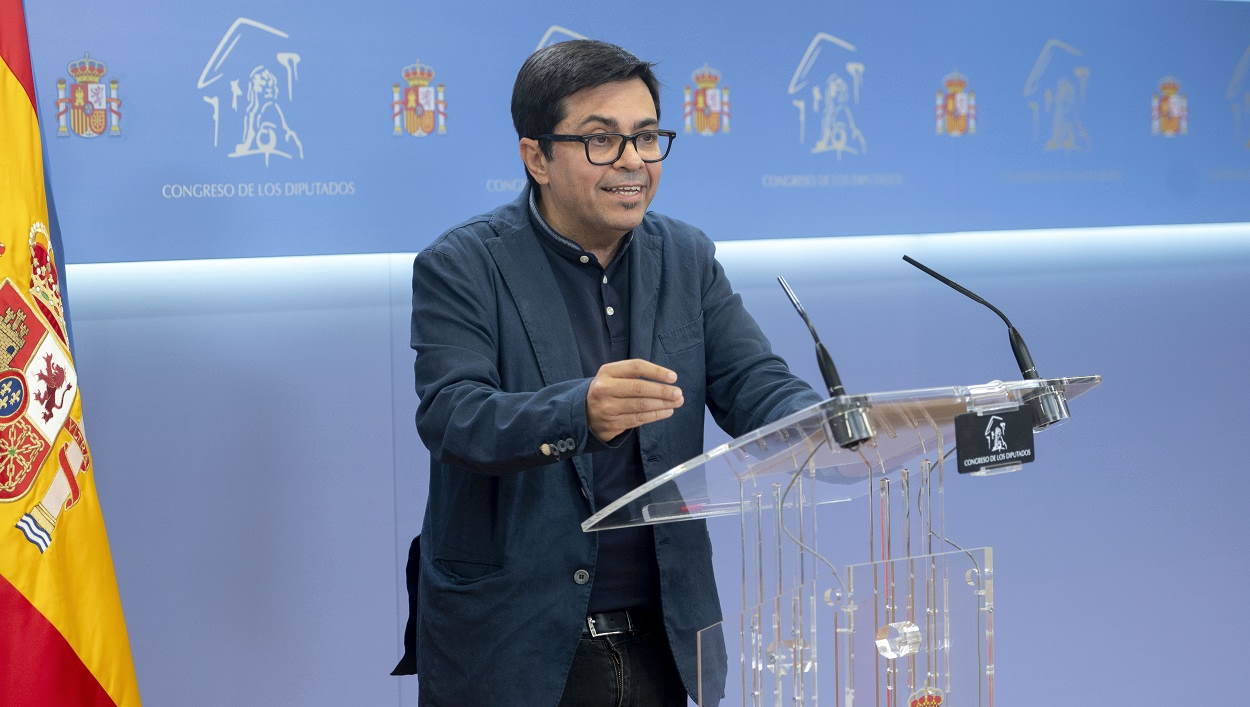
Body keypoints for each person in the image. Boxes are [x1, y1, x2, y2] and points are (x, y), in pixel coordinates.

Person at [396, 39, 822, 706]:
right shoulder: (463, 265)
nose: (632, 162)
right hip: (515, 648)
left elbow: (753, 380)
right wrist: (579, 412)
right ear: (536, 155)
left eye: (647, 137)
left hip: (665, 639)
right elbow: (454, 417)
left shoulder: (686, 256)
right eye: (602, 141)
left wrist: (829, 425)